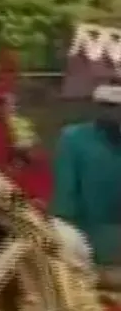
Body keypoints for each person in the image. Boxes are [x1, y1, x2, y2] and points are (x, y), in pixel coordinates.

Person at [50, 84, 121, 266]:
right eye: (107, 106)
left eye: (116, 106)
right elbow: (65, 192)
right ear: (96, 107)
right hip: (86, 232)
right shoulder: (74, 138)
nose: (112, 112)